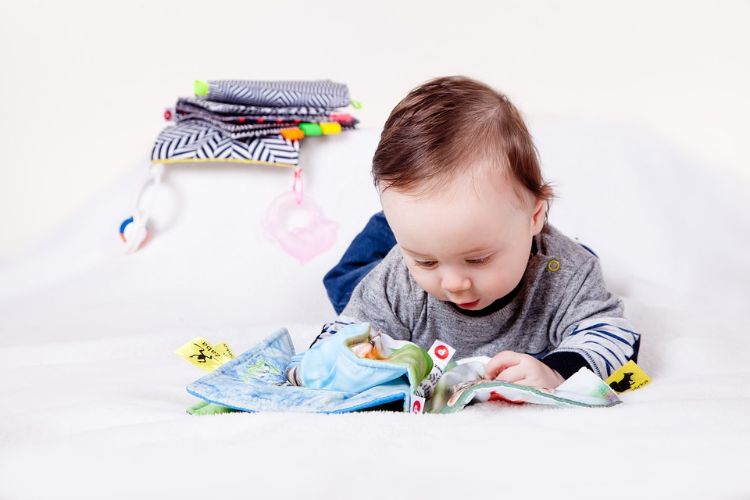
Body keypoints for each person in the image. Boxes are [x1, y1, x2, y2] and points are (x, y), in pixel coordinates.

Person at [319, 76, 640, 389]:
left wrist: (557, 371)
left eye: (477, 259)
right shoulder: (396, 280)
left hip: (543, 255)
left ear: (535, 216)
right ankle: (402, 230)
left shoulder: (566, 275)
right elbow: (341, 335)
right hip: (388, 271)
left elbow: (613, 337)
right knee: (351, 282)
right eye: (427, 262)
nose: (455, 284)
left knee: (585, 267)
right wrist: (337, 363)